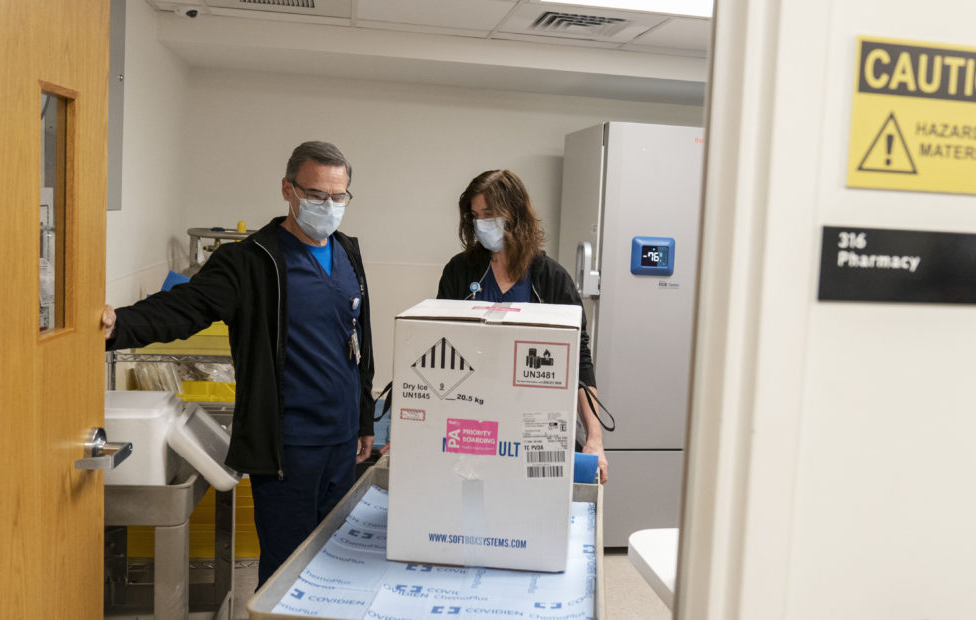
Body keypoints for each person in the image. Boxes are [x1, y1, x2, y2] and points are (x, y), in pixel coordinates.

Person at [101, 141, 375, 588]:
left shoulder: (347, 252)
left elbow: (359, 342)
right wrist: (119, 325)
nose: (328, 206)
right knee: (287, 569)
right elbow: (184, 308)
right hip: (288, 445)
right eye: (316, 195)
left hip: (342, 441)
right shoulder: (251, 262)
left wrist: (364, 419)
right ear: (288, 189)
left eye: (338, 196)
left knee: (334, 562)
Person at [436, 169, 608, 484]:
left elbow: (579, 362)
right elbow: (439, 349)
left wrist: (595, 438)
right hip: (473, 422)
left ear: (515, 215)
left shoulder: (551, 279)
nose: (481, 225)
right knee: (469, 503)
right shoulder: (460, 272)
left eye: (489, 215)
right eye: (475, 216)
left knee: (530, 506)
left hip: (536, 424)